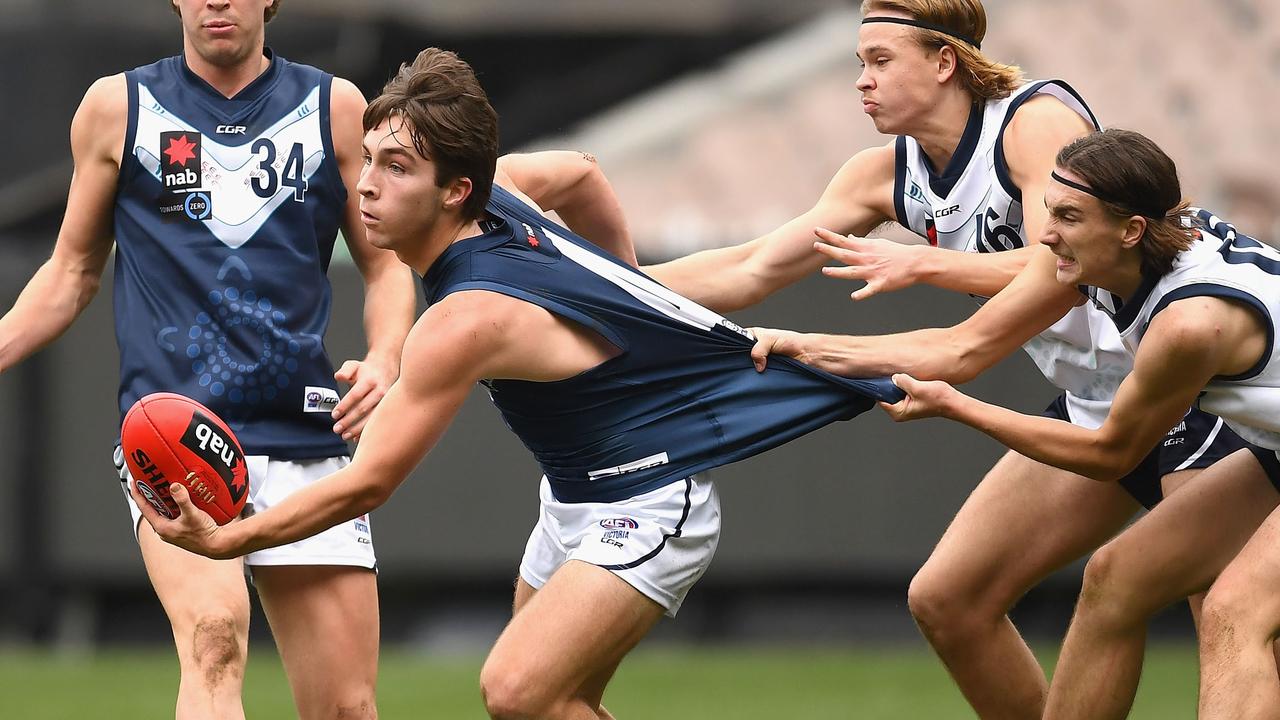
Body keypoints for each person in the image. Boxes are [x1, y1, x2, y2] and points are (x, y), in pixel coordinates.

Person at [133, 47, 901, 720]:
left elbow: (366, 485)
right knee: (547, 707)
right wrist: (622, 287)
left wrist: (231, 536)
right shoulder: (502, 191)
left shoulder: (462, 321)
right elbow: (583, 172)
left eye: (396, 169)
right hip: (573, 496)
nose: (364, 186)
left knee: (515, 689)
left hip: (649, 493)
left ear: (454, 192)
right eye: (367, 157)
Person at [649, 1, 1255, 716]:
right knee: (950, 598)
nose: (861, 83)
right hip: (1096, 400)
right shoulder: (882, 175)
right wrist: (593, 278)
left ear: (945, 62)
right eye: (857, 64)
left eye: (880, 61)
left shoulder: (1035, 124)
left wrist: (927, 269)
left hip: (1190, 391)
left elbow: (1062, 270)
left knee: (1222, 614)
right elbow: (750, 268)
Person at [0, 1, 417, 718]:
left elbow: (385, 269)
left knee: (346, 708)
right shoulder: (117, 108)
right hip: (173, 440)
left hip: (307, 440)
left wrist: (385, 356)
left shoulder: (336, 107)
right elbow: (71, 273)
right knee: (214, 637)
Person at [872, 128, 1280, 719]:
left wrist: (958, 405)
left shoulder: (1188, 325)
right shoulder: (1144, 246)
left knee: (1235, 611)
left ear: (1131, 230)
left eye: (1068, 216)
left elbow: (1109, 456)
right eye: (1049, 211)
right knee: (1114, 582)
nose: (1044, 235)